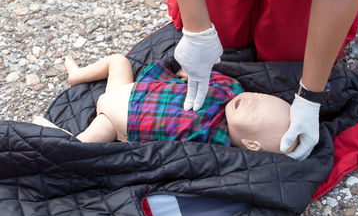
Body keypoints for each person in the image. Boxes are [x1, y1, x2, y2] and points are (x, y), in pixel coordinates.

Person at [163, 0, 358, 160]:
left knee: (290, 59)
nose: (252, 99)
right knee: (222, 36)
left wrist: (311, 94)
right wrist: (196, 30)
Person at [33, 54, 298, 154]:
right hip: (130, 89)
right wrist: (188, 72)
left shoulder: (217, 143)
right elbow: (207, 75)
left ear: (252, 144)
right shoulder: (233, 90)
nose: (249, 101)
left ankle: (50, 134)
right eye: (260, 98)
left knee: (81, 148)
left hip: (116, 122)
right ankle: (77, 75)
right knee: (119, 61)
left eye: (253, 114)